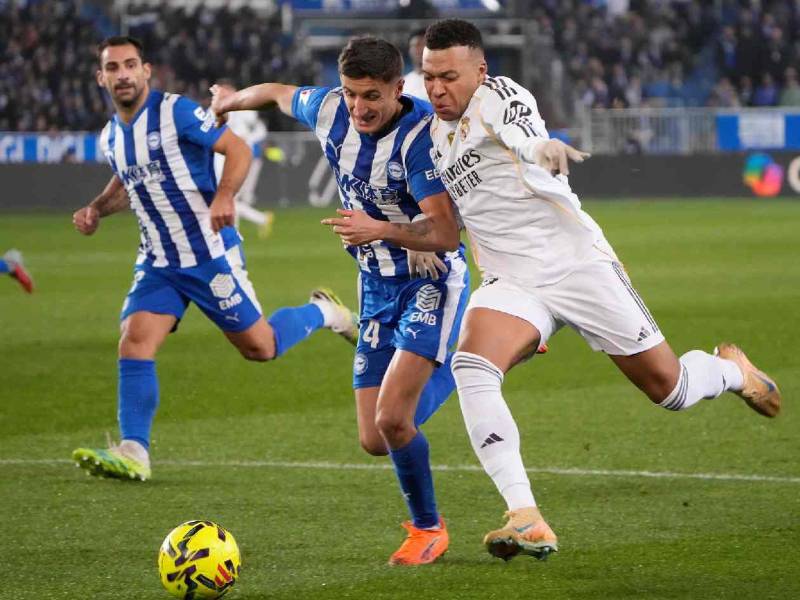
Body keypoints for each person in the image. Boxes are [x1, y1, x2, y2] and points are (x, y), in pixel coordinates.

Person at [323, 19, 782, 562]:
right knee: (473, 368)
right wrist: (418, 235)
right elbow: (436, 204)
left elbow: (525, 134)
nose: (439, 88)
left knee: (671, 390)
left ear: (481, 72)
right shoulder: (428, 122)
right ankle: (526, 515)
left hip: (575, 266)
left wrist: (544, 149)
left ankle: (733, 372)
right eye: (430, 76)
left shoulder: (501, 99)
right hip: (512, 281)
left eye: (450, 76)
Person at [212, 36, 470, 566]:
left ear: (399, 89)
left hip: (431, 280)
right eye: (351, 93)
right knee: (376, 438)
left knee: (395, 420)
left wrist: (384, 228)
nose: (359, 107)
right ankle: (460, 362)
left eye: (371, 96)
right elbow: (279, 92)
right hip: (374, 287)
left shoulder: (421, 137)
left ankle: (428, 529)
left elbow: (444, 233)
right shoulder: (328, 108)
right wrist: (231, 100)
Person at [71, 36, 358, 483]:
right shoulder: (112, 136)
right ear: (101, 77)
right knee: (135, 340)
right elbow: (126, 184)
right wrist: (95, 209)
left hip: (209, 254)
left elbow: (237, 150)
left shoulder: (178, 112)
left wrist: (225, 195)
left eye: (130, 65)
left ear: (146, 71)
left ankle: (326, 312)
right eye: (113, 67)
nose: (122, 74)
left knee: (260, 348)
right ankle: (134, 451)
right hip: (159, 262)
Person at [212, 79, 274, 237]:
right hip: (222, 158)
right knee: (229, 198)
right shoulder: (215, 109)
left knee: (230, 198)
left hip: (239, 158)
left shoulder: (245, 108)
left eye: (228, 90)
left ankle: (235, 232)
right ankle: (255, 222)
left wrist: (249, 141)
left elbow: (258, 129)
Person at [403, 28, 429, 102]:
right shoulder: (403, 82)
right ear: (409, 50)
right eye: (416, 45)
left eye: (424, 45)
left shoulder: (441, 81)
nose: (420, 49)